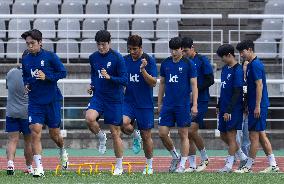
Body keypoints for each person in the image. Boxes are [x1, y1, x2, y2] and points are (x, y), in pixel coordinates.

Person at [21, 29, 69, 177]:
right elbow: (25, 75)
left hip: (52, 101)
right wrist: (27, 84)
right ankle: (39, 168)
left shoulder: (50, 56)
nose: (30, 46)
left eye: (32, 43)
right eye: (28, 43)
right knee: (35, 131)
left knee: (55, 135)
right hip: (35, 102)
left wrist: (47, 76)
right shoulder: (26, 58)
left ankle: (62, 150)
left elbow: (63, 72)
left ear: (40, 43)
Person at [85, 30, 128, 175]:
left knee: (115, 132)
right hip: (99, 97)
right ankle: (100, 136)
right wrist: (92, 85)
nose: (101, 47)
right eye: (98, 45)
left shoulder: (117, 58)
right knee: (89, 118)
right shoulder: (93, 57)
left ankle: (119, 165)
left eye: (103, 44)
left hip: (114, 99)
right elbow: (94, 74)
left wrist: (110, 77)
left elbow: (124, 80)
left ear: (109, 43)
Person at [235, 40, 279, 173]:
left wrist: (257, 106)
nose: (241, 55)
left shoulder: (255, 65)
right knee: (261, 135)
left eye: (242, 52)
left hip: (258, 106)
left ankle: (248, 167)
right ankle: (273, 165)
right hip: (255, 105)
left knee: (254, 137)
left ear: (249, 49)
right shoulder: (250, 65)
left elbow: (259, 86)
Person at [158, 37, 198, 173]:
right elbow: (162, 83)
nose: (174, 52)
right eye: (172, 50)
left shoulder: (189, 64)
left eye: (176, 49)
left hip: (183, 105)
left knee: (183, 134)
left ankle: (182, 164)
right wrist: (159, 103)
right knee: (162, 133)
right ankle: (175, 155)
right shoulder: (165, 64)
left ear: (182, 49)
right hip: (168, 105)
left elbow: (194, 85)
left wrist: (195, 105)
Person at [121, 35, 157, 174]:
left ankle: (149, 165)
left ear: (141, 48)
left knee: (146, 136)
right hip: (128, 101)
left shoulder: (149, 60)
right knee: (122, 123)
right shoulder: (124, 60)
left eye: (135, 49)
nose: (132, 52)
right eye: (130, 49)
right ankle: (134, 135)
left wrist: (143, 70)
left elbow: (153, 82)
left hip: (144, 104)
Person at [181, 37, 214, 172]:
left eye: (186, 51)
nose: (184, 54)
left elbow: (210, 79)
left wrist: (195, 89)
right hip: (186, 101)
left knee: (190, 130)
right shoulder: (182, 62)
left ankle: (205, 157)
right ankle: (193, 164)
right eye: (182, 51)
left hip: (201, 100)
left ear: (192, 48)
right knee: (188, 133)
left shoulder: (202, 60)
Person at [216, 44, 248, 173]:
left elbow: (237, 92)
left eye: (222, 57)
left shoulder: (238, 70)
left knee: (231, 135)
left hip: (233, 109)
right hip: (223, 107)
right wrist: (219, 105)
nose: (221, 60)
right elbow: (223, 89)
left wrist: (229, 109)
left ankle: (229, 166)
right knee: (223, 135)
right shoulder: (224, 69)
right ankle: (242, 156)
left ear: (229, 55)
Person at [5, 65, 33, 175]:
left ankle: (10, 164)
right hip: (27, 113)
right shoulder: (32, 74)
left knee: (12, 140)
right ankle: (30, 167)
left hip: (11, 111)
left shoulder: (11, 72)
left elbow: (8, 87)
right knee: (28, 142)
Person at [236, 60, 250, 157]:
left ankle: (247, 156)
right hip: (239, 111)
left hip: (249, 112)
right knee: (238, 135)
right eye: (245, 65)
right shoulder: (239, 79)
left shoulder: (252, 80)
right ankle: (238, 156)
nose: (247, 67)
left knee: (247, 136)